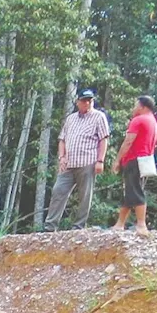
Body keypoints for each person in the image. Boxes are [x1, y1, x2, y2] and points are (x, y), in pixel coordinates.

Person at [43, 89, 111, 231]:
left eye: (90, 100)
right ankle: (50, 226)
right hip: (69, 164)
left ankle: (78, 226)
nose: (87, 103)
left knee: (85, 195)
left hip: (87, 162)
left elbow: (103, 139)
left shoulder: (99, 117)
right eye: (84, 100)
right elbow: (62, 139)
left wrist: (100, 161)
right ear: (78, 102)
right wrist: (62, 157)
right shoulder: (71, 118)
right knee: (58, 191)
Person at [111, 95, 157, 235]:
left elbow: (128, 142)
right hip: (146, 160)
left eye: (135, 105)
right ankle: (120, 223)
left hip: (134, 159)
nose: (134, 108)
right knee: (130, 191)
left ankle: (141, 225)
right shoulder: (153, 122)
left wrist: (117, 160)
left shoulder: (138, 120)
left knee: (136, 191)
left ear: (142, 107)